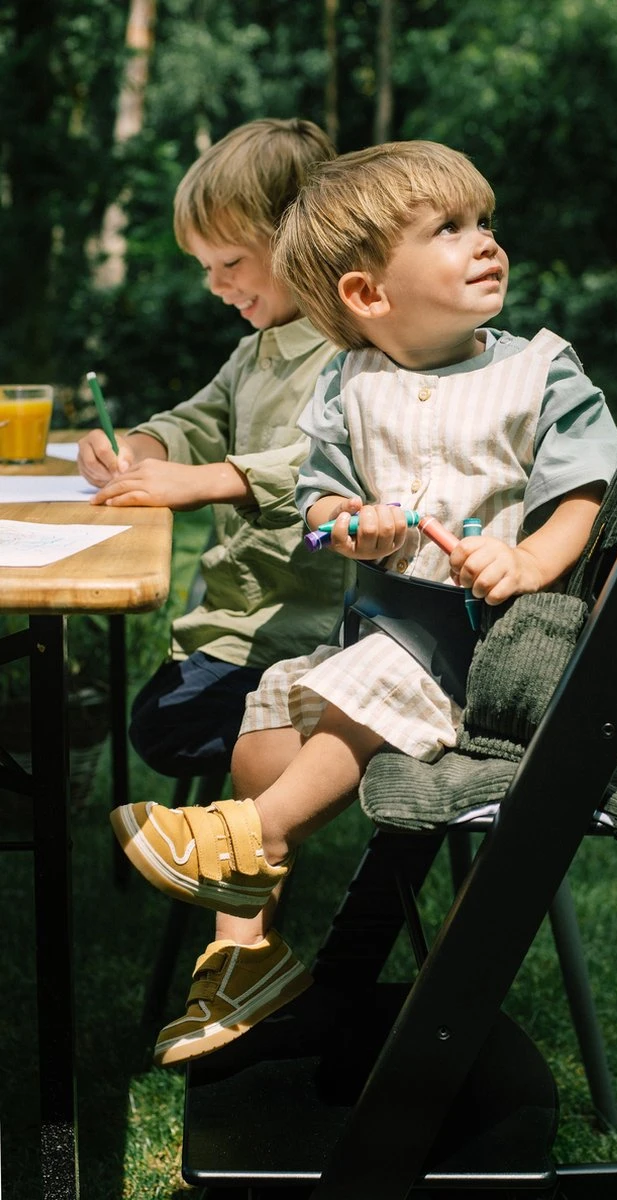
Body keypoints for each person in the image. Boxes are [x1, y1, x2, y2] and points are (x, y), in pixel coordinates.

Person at [111, 139, 617, 1066]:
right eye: (450, 229)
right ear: (367, 296)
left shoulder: (540, 371)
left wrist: (527, 559)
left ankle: (243, 836)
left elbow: (584, 494)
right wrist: (348, 527)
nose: (485, 243)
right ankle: (248, 955)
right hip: (390, 636)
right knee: (268, 719)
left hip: (491, 649)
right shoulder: (350, 384)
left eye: (482, 222)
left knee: (367, 684)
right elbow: (315, 507)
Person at [77, 118, 350, 781]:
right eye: (206, 267)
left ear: (302, 240)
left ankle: (259, 841)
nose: (215, 284)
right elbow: (198, 417)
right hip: (243, 622)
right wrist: (140, 444)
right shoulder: (255, 351)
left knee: (170, 721)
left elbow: (320, 464)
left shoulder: (355, 348)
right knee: (162, 715)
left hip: (316, 634)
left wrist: (208, 481)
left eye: (230, 262)